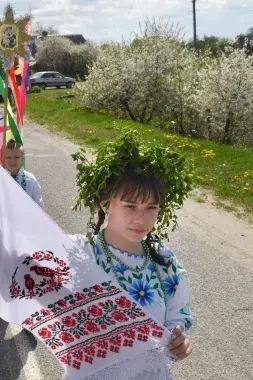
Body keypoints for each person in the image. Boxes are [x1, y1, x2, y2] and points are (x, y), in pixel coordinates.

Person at [69, 130, 194, 379]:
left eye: (151, 208)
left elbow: (178, 314)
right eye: (130, 206)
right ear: (106, 204)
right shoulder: (78, 253)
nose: (141, 218)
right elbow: (10, 249)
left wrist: (178, 337)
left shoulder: (164, 260)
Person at [2, 139, 43, 208]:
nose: (12, 161)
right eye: (8, 157)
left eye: (16, 157)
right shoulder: (0, 178)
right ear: (3, 159)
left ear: (22, 158)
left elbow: (39, 204)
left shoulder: (30, 179)